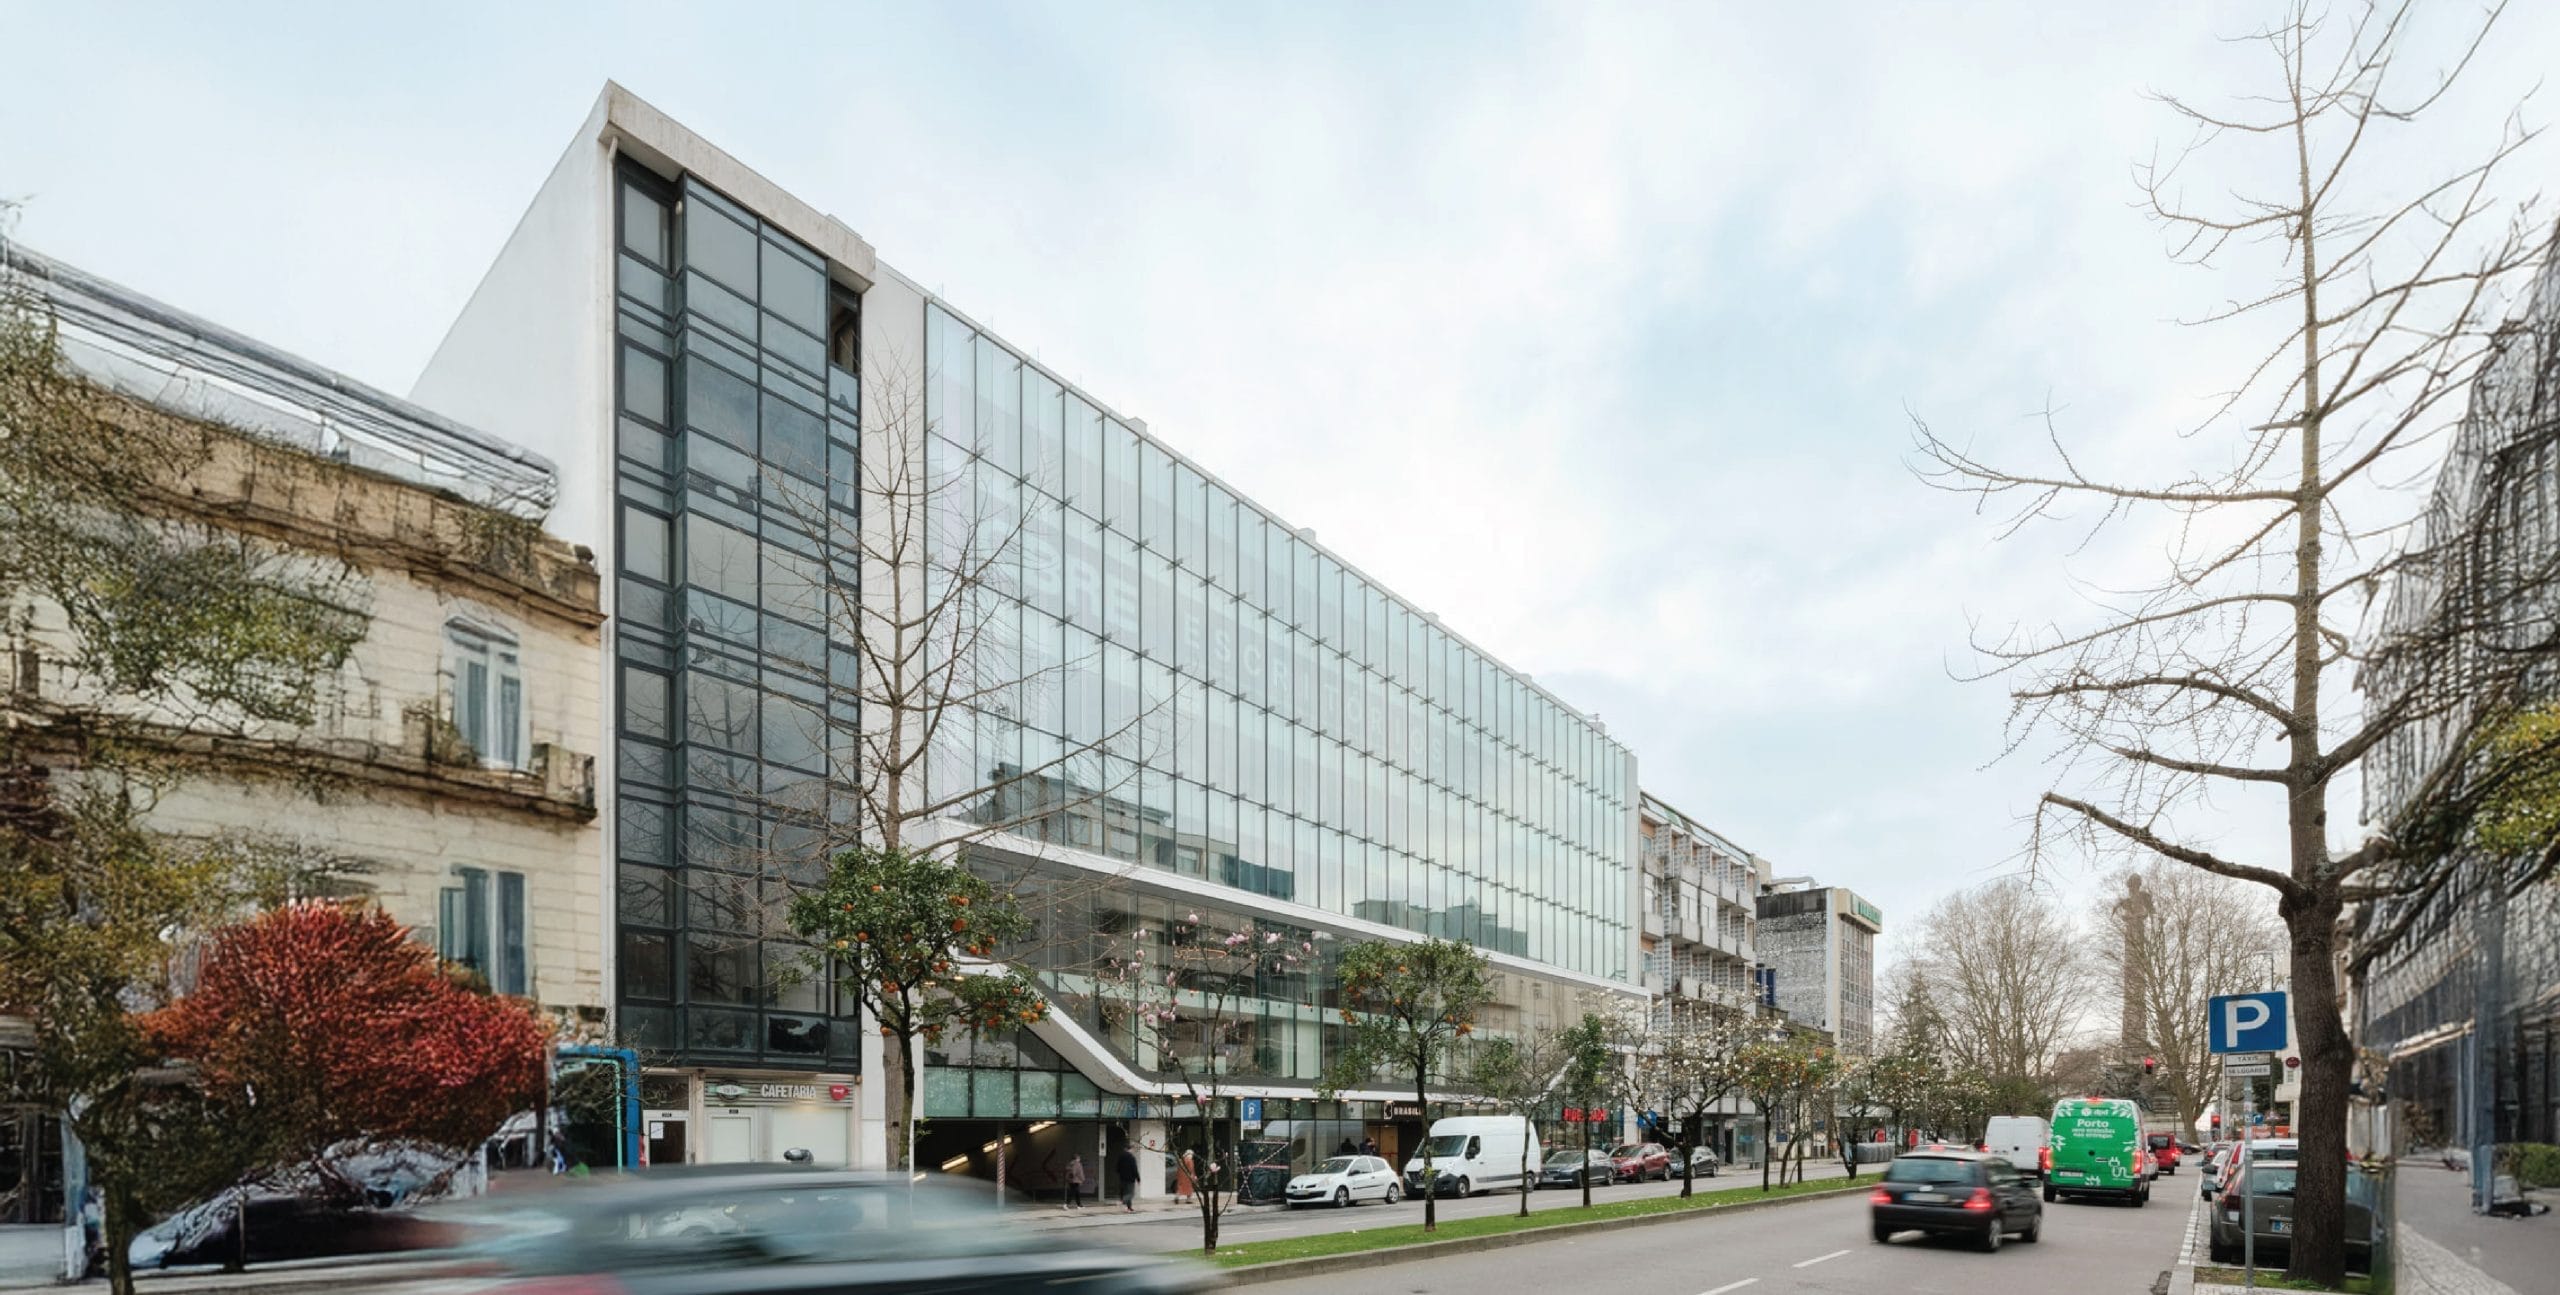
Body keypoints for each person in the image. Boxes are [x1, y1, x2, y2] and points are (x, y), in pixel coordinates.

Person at [1113, 1143, 1140, 1212]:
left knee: (1126, 1193)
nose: (1133, 1151)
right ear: (1130, 1149)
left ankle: (1129, 1208)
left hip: (1122, 1178)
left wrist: (1120, 1174)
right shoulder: (1131, 1157)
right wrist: (1138, 1178)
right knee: (1131, 1193)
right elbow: (1134, 1169)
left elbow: (1117, 1167)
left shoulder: (1121, 1156)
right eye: (1133, 1149)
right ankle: (1122, 1201)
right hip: (1130, 1179)